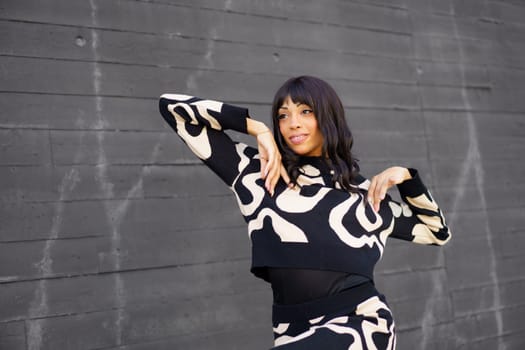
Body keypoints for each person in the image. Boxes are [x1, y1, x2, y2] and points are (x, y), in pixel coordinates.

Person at [158, 76, 451, 349]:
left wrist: (406, 178)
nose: (292, 123)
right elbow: (172, 108)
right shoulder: (257, 173)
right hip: (289, 331)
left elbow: (437, 232)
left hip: (361, 326)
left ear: (329, 117)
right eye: (283, 115)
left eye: (305, 111)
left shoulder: (366, 195)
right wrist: (256, 128)